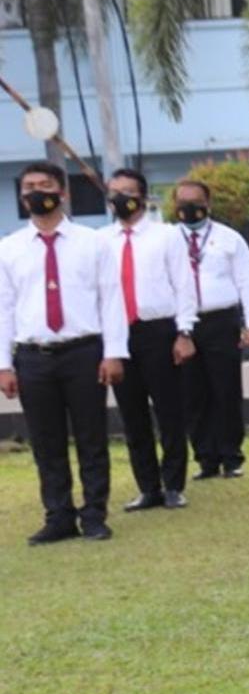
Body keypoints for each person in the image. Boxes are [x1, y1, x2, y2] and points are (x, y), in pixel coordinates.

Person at [0, 159, 128, 542]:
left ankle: (94, 514)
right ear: (22, 197)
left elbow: (112, 299)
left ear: (63, 192)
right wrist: (4, 364)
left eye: (45, 185)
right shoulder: (8, 249)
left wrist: (114, 352)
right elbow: (3, 308)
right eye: (29, 188)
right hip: (33, 355)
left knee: (91, 437)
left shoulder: (94, 242)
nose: (37, 193)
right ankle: (58, 515)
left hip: (84, 352)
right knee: (46, 441)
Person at [102, 167, 198, 512]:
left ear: (141, 196)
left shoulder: (167, 235)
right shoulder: (101, 241)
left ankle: (174, 485)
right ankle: (148, 487)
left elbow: (183, 284)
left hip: (158, 331)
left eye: (126, 191)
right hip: (118, 334)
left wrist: (184, 331)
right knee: (132, 414)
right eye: (114, 192)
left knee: (169, 410)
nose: (120, 198)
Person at [170, 178, 249, 481]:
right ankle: (205, 458)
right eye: (182, 202)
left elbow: (247, 282)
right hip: (183, 324)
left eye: (194, 202)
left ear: (207, 204)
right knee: (190, 393)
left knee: (226, 390)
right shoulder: (168, 240)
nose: (188, 208)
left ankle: (231, 456)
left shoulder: (229, 238)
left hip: (220, 320)